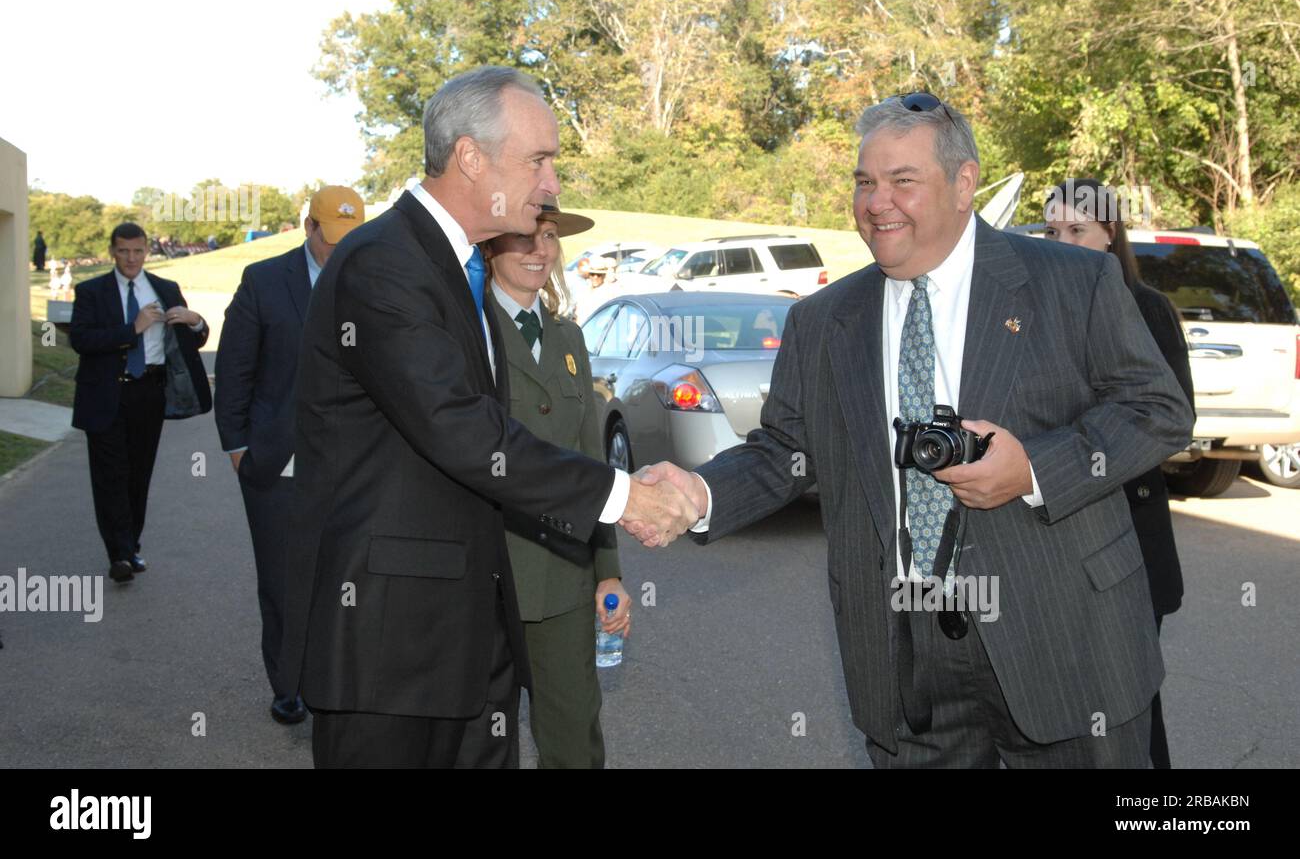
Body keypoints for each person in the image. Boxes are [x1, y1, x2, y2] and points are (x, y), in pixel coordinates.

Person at [633, 93, 1193, 767]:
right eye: (865, 182)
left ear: (964, 183)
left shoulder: (1073, 281)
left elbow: (1157, 408)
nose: (877, 202)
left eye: (902, 181)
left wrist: (1034, 470)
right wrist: (699, 493)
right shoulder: (823, 320)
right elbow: (787, 452)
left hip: (1065, 638)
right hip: (906, 658)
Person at [280, 65, 697, 769]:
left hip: (471, 642)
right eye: (539, 159)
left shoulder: (451, 266)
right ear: (471, 156)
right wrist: (626, 495)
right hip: (393, 652)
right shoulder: (385, 263)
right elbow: (463, 428)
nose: (552, 183)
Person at [1043, 177, 1193, 770]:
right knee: (1051, 707)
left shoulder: (1146, 308)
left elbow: (1171, 419)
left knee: (1130, 711)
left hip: (1126, 536)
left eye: (1078, 231)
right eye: (1051, 232)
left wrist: (1064, 455)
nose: (1062, 243)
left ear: (1111, 237)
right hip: (1044, 544)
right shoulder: (1021, 312)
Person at [482, 201, 630, 768]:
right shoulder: (469, 332)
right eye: (524, 237)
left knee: (573, 731)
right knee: (477, 735)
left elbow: (593, 461)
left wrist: (607, 570)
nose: (540, 249)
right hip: (490, 569)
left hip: (563, 570)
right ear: (491, 246)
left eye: (548, 237)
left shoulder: (569, 338)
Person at [215, 185, 365, 727]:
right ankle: (289, 684)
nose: (341, 249)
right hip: (277, 465)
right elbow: (234, 370)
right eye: (331, 238)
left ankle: (332, 676)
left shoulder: (370, 281)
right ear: (308, 228)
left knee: (342, 578)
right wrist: (238, 449)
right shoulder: (264, 282)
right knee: (282, 580)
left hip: (352, 466)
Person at [69, 222, 212, 583]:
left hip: (149, 392)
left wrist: (195, 322)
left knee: (138, 474)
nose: (131, 258)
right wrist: (131, 329)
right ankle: (118, 554)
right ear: (112, 251)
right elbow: (81, 340)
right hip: (105, 393)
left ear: (146, 251)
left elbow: (190, 341)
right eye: (123, 251)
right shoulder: (91, 291)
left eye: (137, 251)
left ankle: (131, 546)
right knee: (109, 476)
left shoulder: (164, 288)